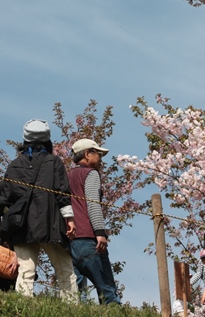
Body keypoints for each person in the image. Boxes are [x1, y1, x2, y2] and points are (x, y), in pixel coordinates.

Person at [0, 119, 78, 302]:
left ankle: (23, 309)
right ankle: (72, 309)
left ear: (25, 139)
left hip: (22, 225)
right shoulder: (54, 162)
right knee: (65, 270)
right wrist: (69, 219)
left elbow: (4, 197)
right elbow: (62, 193)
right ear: (47, 139)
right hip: (48, 223)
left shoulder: (14, 165)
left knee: (25, 271)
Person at [68, 138, 120, 305]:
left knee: (76, 292)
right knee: (107, 289)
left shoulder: (67, 176)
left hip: (70, 239)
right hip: (88, 237)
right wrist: (100, 232)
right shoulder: (90, 174)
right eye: (97, 153)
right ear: (86, 154)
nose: (100, 158)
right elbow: (92, 203)